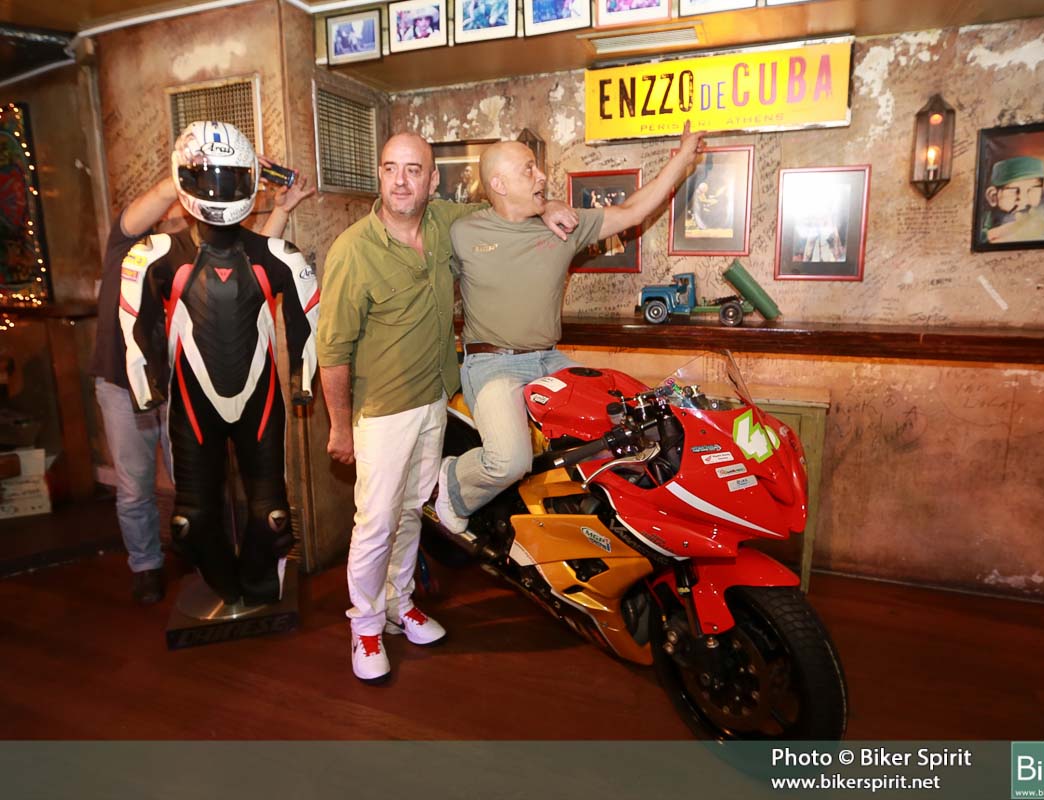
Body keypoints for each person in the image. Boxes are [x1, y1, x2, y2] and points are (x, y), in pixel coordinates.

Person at [316, 131, 577, 684]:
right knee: (376, 520)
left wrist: (550, 203)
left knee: (413, 509)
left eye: (413, 170)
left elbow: (509, 201)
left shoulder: (443, 223)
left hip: (435, 396)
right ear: (379, 174)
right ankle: (366, 624)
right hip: (383, 410)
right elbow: (332, 351)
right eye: (391, 168)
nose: (400, 181)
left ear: (432, 181)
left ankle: (400, 603)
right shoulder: (353, 250)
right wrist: (339, 426)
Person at [433, 121, 704, 537]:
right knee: (509, 461)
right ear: (499, 184)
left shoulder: (561, 226)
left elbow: (633, 211)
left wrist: (683, 158)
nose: (542, 176)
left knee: (622, 427)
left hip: (549, 360)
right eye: (528, 169)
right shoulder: (463, 231)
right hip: (492, 365)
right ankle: (455, 486)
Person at [91, 130, 314, 605]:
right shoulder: (144, 250)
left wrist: (303, 376)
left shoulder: (266, 254)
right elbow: (139, 319)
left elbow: (258, 263)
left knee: (269, 515)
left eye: (227, 179)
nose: (217, 189)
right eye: (207, 178)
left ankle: (251, 585)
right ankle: (151, 569)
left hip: (234, 397)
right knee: (179, 513)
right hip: (154, 391)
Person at [978, 155, 1044, 244]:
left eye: (1032, 189)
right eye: (1013, 190)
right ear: (993, 196)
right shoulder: (981, 224)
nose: (1023, 201)